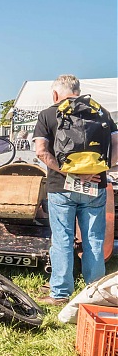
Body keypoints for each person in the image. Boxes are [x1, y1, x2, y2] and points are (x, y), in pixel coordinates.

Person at [33, 75, 118, 305]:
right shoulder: (101, 112)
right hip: (96, 184)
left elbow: (41, 151)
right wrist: (99, 170)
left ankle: (60, 293)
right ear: (78, 91)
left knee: (62, 239)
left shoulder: (48, 114)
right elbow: (117, 147)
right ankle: (96, 293)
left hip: (61, 187)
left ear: (55, 94)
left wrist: (69, 172)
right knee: (94, 239)